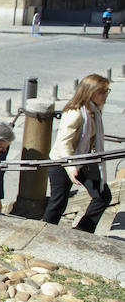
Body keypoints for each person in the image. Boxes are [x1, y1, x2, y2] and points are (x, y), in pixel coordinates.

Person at [42, 74, 112, 233]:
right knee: (58, 202)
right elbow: (63, 144)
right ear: (90, 92)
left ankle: (82, 230)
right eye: (102, 92)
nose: (106, 95)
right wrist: (72, 168)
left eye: (107, 91)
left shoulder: (94, 110)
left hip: (84, 160)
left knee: (102, 196)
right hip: (62, 162)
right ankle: (45, 232)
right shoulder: (75, 113)